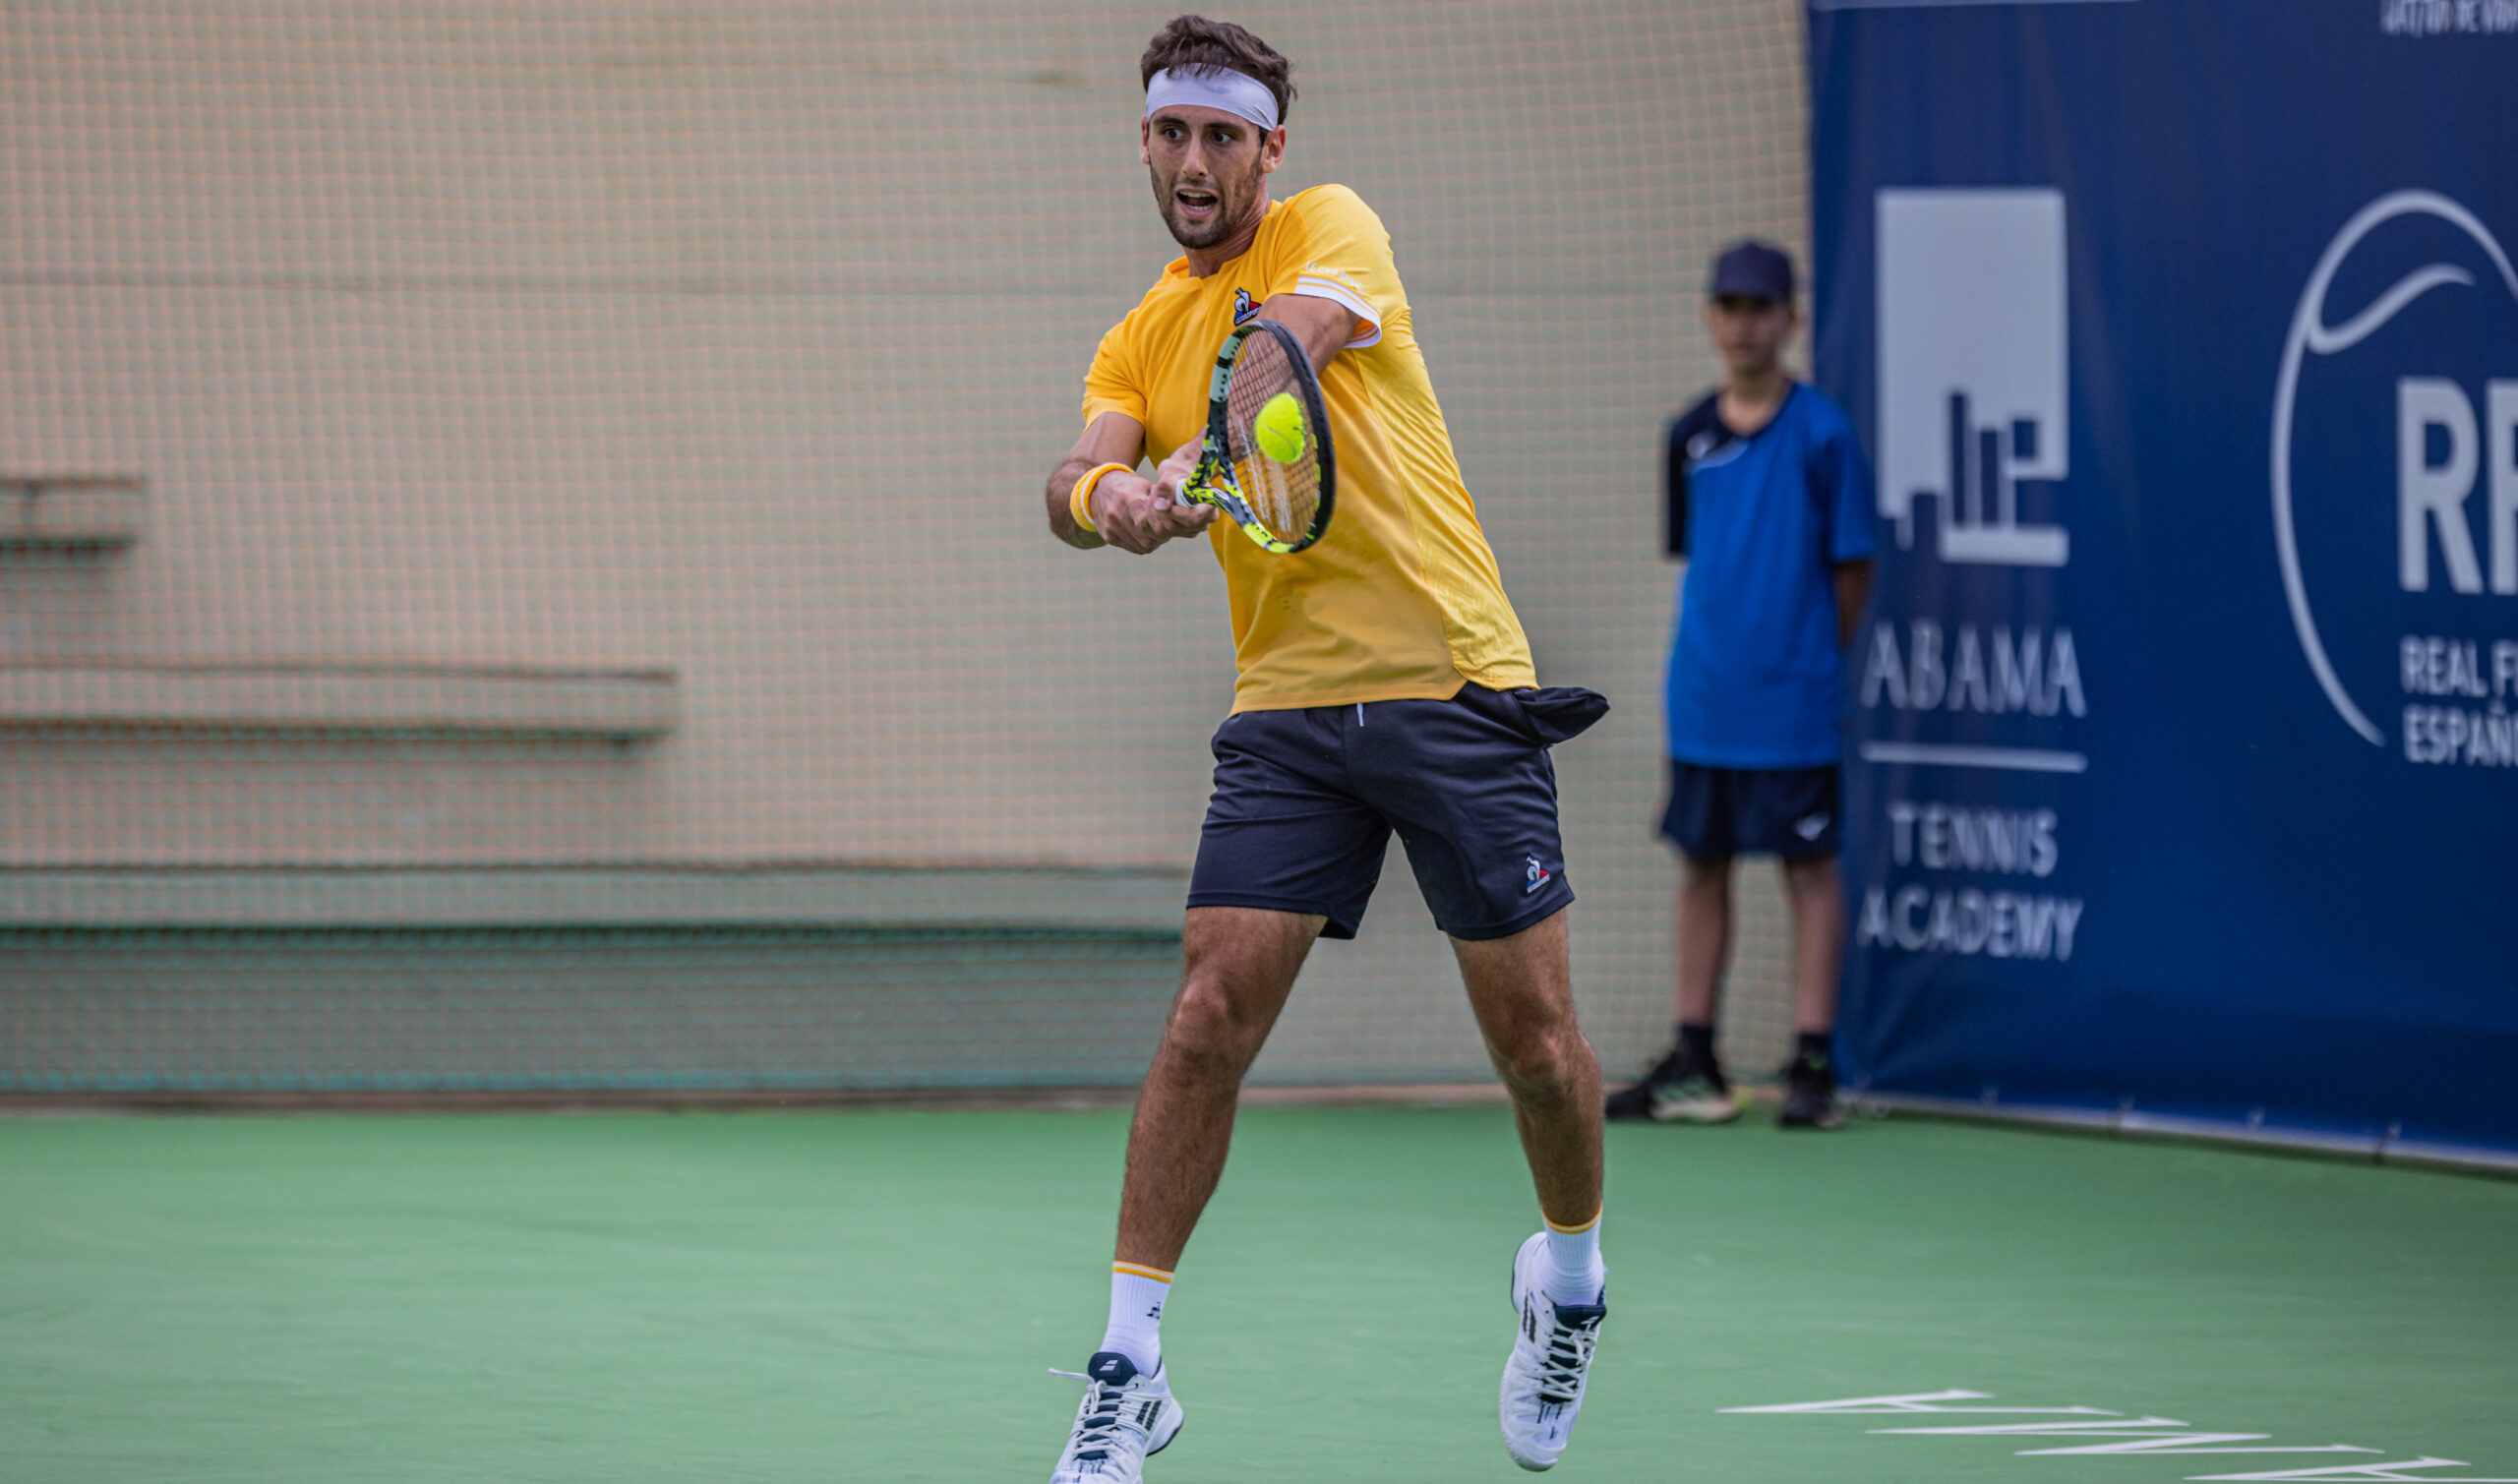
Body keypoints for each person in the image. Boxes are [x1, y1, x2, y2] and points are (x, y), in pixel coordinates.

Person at [1039, 16, 1611, 1479]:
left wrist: (1221, 432)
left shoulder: (1330, 228)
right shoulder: (1138, 330)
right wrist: (1116, 502)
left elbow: (1295, 336)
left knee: (1536, 1050)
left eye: (1223, 136)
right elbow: (1077, 471)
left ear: (1267, 152)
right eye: (1171, 132)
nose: (1194, 161)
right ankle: (1128, 1362)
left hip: (1450, 681)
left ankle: (1570, 1282)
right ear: (1147, 140)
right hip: (1286, 712)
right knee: (1205, 1014)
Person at [1604, 240, 1876, 1132]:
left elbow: (1851, 576)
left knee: (1809, 868)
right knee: (1701, 867)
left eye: (1762, 306)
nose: (1745, 323)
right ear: (1711, 317)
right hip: (1704, 700)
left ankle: (1812, 1061)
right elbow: (1699, 559)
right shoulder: (1688, 434)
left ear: (1790, 318)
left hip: (1792, 704)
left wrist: (1802, 663)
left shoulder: (1826, 435)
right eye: (1730, 305)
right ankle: (1696, 1055)